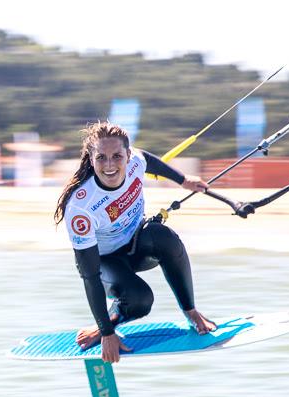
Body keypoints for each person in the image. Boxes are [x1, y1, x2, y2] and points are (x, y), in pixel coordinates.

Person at [54, 121, 216, 364]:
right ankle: (107, 323)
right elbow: (89, 275)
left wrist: (182, 180)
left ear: (128, 155)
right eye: (101, 158)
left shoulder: (135, 163)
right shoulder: (81, 208)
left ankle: (191, 311)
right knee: (140, 300)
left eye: (117, 156)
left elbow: (148, 159)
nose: (110, 165)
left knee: (165, 238)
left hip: (136, 244)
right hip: (104, 262)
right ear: (91, 158)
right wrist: (108, 334)